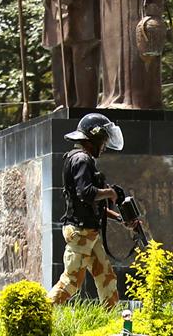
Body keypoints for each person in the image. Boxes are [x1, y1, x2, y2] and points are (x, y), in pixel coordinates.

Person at [48, 112, 134, 308]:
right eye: (103, 140)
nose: (104, 146)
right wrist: (110, 193)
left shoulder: (82, 159)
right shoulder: (81, 159)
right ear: (93, 138)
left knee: (106, 277)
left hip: (88, 231)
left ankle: (111, 321)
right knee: (70, 282)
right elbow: (86, 193)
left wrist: (120, 218)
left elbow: (92, 206)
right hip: (80, 232)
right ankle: (38, 315)